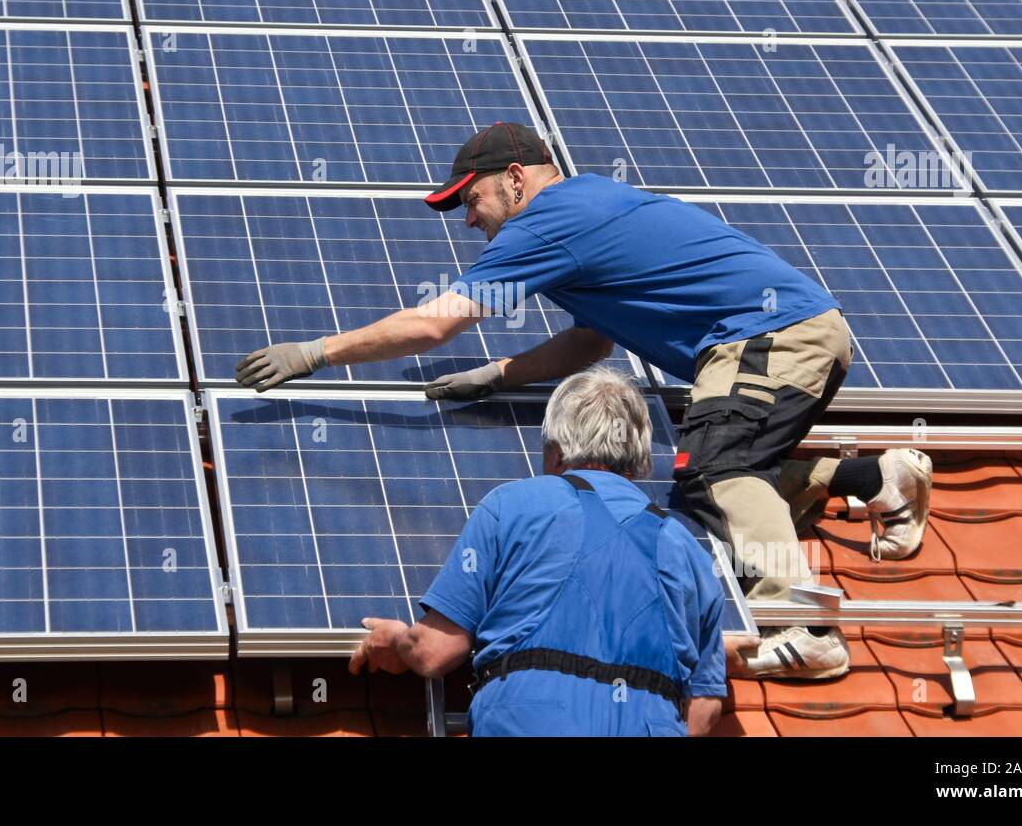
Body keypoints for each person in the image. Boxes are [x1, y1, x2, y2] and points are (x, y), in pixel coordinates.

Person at [239, 122, 932, 679]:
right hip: (782, 339)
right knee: (707, 476)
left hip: (765, 337)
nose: (468, 220)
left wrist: (316, 353)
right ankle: (876, 478)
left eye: (470, 200)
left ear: (515, 180)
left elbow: (434, 321)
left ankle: (805, 624)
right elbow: (592, 343)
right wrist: (499, 376)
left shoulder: (548, 222)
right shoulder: (587, 215)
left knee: (719, 470)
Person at [348, 367, 726, 736]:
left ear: (556, 451)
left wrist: (397, 640)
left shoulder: (512, 505)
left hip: (527, 719)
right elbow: (705, 706)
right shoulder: (689, 552)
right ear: (640, 457)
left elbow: (435, 651)